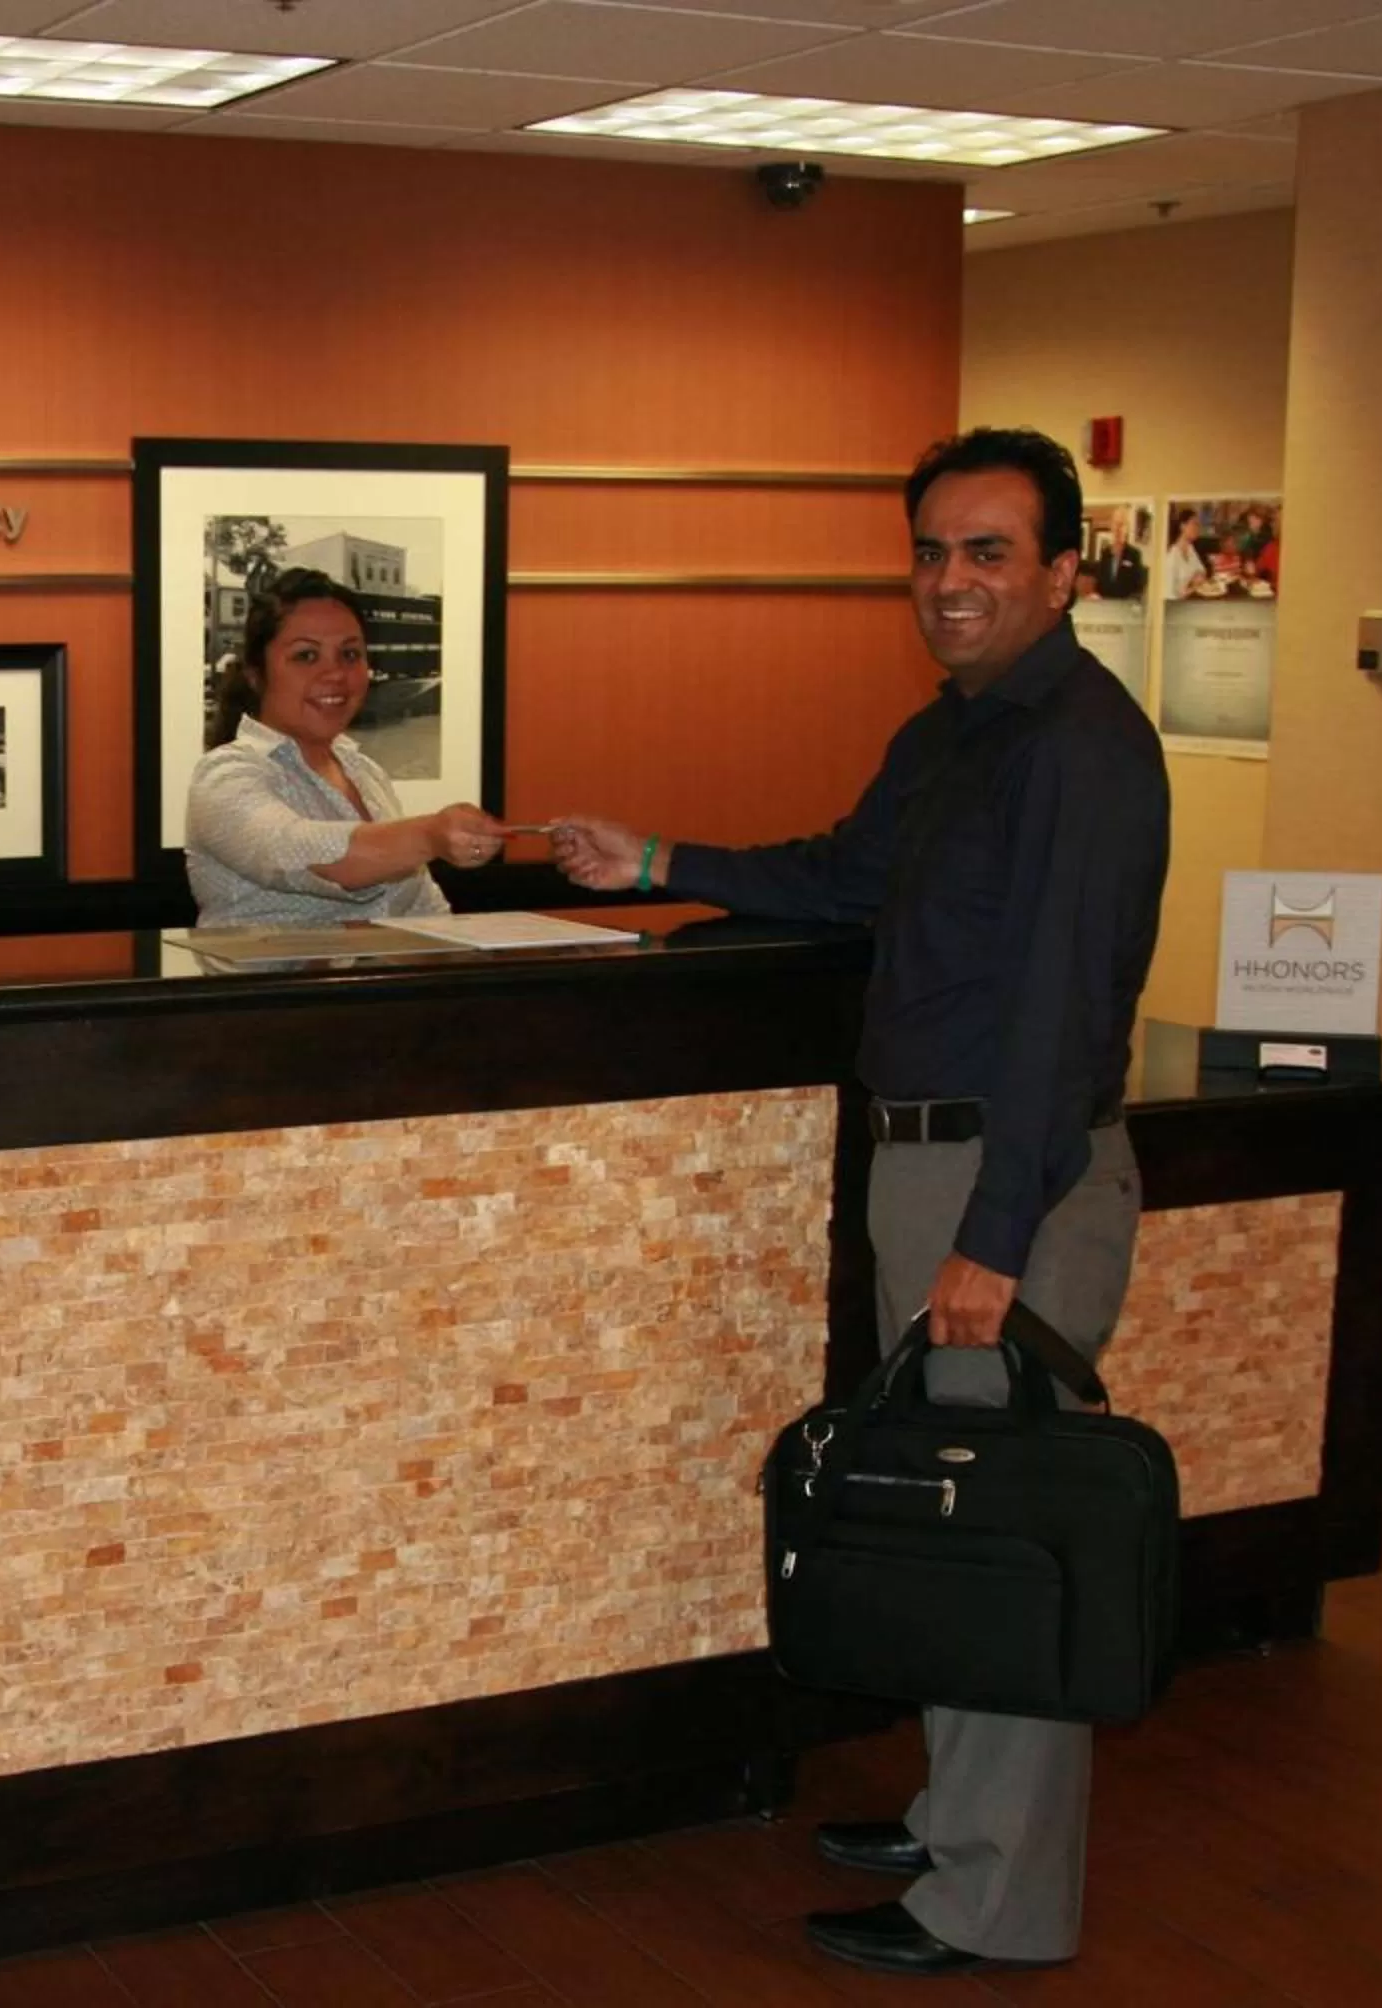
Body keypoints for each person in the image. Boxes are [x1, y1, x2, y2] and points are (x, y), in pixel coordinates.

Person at [551, 427, 1170, 1979]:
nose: (949, 585)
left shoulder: (1079, 746)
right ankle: (960, 1816)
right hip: (932, 1168)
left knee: (1000, 1533)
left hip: (1006, 1182)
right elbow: (845, 877)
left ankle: (994, 1901)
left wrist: (993, 1239)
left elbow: (1059, 1013)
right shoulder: (956, 730)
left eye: (988, 555)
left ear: (1062, 572)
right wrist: (660, 862)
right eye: (931, 553)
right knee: (953, 1509)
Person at [184, 566, 505, 925]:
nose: (335, 673)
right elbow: (294, 851)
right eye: (306, 656)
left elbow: (426, 910)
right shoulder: (223, 776)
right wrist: (430, 834)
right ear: (256, 674)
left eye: (350, 655)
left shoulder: (366, 773)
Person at [1161, 505, 1208, 600]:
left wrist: (1198, 577)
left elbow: (1202, 571)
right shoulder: (1171, 556)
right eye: (1194, 524)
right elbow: (1168, 595)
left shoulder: (1190, 549)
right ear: (1183, 526)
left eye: (1198, 524)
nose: (1198, 528)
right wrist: (1193, 587)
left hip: (1192, 600)